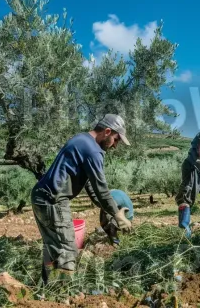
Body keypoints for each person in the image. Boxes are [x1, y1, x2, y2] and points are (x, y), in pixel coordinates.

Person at [31, 114, 133, 284]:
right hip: (53, 200)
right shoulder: (93, 150)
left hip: (41, 196)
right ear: (107, 131)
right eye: (116, 140)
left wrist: (110, 214)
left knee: (53, 247)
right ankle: (61, 293)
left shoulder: (82, 140)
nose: (115, 146)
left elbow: (93, 190)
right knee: (67, 249)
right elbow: (101, 189)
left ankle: (45, 289)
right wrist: (118, 215)